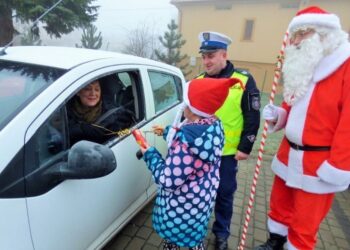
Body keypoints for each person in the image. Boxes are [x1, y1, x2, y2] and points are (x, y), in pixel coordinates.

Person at [255, 6, 350, 250]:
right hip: (288, 154)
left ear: (323, 33)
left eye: (300, 34)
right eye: (292, 35)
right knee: (280, 207)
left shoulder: (345, 66)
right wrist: (280, 113)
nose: (294, 41)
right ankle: (275, 241)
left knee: (304, 225)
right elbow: (293, 99)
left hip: (319, 163)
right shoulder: (307, 62)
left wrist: (338, 167)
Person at [137, 78, 243, 250]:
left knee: (175, 238)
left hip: (181, 207)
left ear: (192, 109)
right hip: (200, 203)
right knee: (194, 237)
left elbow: (168, 180)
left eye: (185, 101)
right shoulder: (214, 126)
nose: (182, 105)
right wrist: (167, 132)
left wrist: (149, 154)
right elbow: (194, 142)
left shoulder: (185, 142)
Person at [196, 31, 261, 250]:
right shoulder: (197, 82)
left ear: (224, 54)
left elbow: (252, 116)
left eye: (211, 55)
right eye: (204, 56)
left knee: (224, 195)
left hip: (227, 154)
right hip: (200, 154)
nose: (206, 61)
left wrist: (246, 146)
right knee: (199, 195)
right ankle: (196, 229)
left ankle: (221, 234)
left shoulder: (243, 79)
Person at [67, 80, 134, 145]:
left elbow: (120, 135)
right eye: (87, 89)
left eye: (97, 89)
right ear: (78, 92)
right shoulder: (65, 109)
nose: (93, 93)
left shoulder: (115, 114)